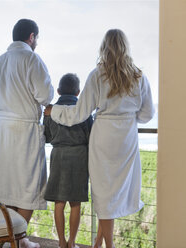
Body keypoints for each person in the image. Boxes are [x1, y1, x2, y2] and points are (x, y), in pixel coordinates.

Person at [44, 29, 154, 248]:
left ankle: (107, 245)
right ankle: (98, 244)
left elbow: (79, 114)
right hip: (126, 139)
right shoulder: (138, 76)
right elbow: (147, 114)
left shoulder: (97, 75)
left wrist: (53, 111)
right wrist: (128, 117)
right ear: (125, 47)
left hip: (103, 137)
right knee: (114, 194)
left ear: (104, 47)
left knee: (103, 195)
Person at [0, 19, 54, 248]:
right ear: (32, 37)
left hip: (4, 129)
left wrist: (7, 105)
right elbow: (46, 96)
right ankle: (17, 239)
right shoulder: (32, 59)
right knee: (29, 187)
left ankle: (11, 239)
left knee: (8, 185)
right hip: (25, 130)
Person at [43, 73, 92, 248]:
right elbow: (90, 135)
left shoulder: (50, 110)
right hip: (79, 155)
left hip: (58, 155)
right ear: (78, 92)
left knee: (59, 201)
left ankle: (61, 242)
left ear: (58, 90)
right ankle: (72, 242)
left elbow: (47, 137)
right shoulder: (83, 109)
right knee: (75, 202)